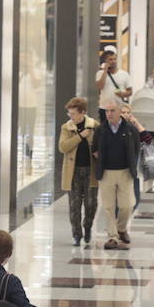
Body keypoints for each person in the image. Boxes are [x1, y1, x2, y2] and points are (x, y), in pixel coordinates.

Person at [93, 101, 141, 250]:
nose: (109, 114)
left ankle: (121, 228)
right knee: (108, 206)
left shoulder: (130, 129)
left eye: (112, 110)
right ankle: (112, 237)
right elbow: (94, 149)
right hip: (107, 172)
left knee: (126, 205)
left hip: (125, 172)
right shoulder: (101, 130)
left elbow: (136, 148)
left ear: (120, 111)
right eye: (107, 111)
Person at [57, 97, 98, 247]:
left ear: (83, 113)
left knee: (91, 204)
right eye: (69, 113)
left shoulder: (94, 126)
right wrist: (80, 136)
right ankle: (77, 235)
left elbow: (100, 146)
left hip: (90, 171)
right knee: (74, 206)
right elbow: (63, 147)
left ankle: (87, 228)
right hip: (73, 172)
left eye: (73, 113)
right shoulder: (66, 128)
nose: (71, 117)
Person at [96, 48, 133, 119]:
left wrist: (122, 94)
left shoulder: (124, 74)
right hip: (104, 108)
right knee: (105, 129)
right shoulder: (100, 74)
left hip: (119, 108)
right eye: (110, 59)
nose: (113, 61)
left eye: (114, 59)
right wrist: (105, 71)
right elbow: (100, 86)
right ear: (105, 61)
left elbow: (130, 91)